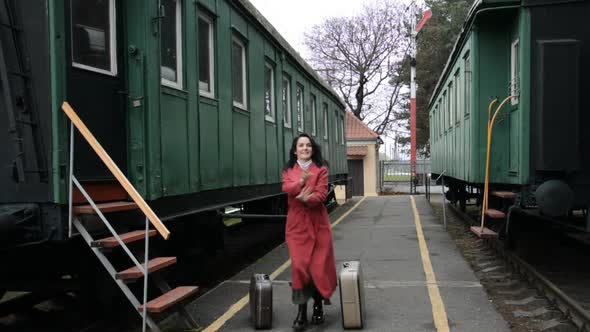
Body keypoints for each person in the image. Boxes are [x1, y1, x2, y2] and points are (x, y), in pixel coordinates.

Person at [281, 133, 337, 331]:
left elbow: (321, 194)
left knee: (318, 267)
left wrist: (307, 199)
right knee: (299, 267)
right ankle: (301, 310)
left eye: (308, 146)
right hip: (297, 226)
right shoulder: (289, 170)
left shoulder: (321, 169)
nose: (305, 148)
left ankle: (318, 306)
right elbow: (287, 187)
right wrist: (302, 183)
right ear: (295, 150)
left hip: (318, 224)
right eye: (301, 145)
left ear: (313, 149)